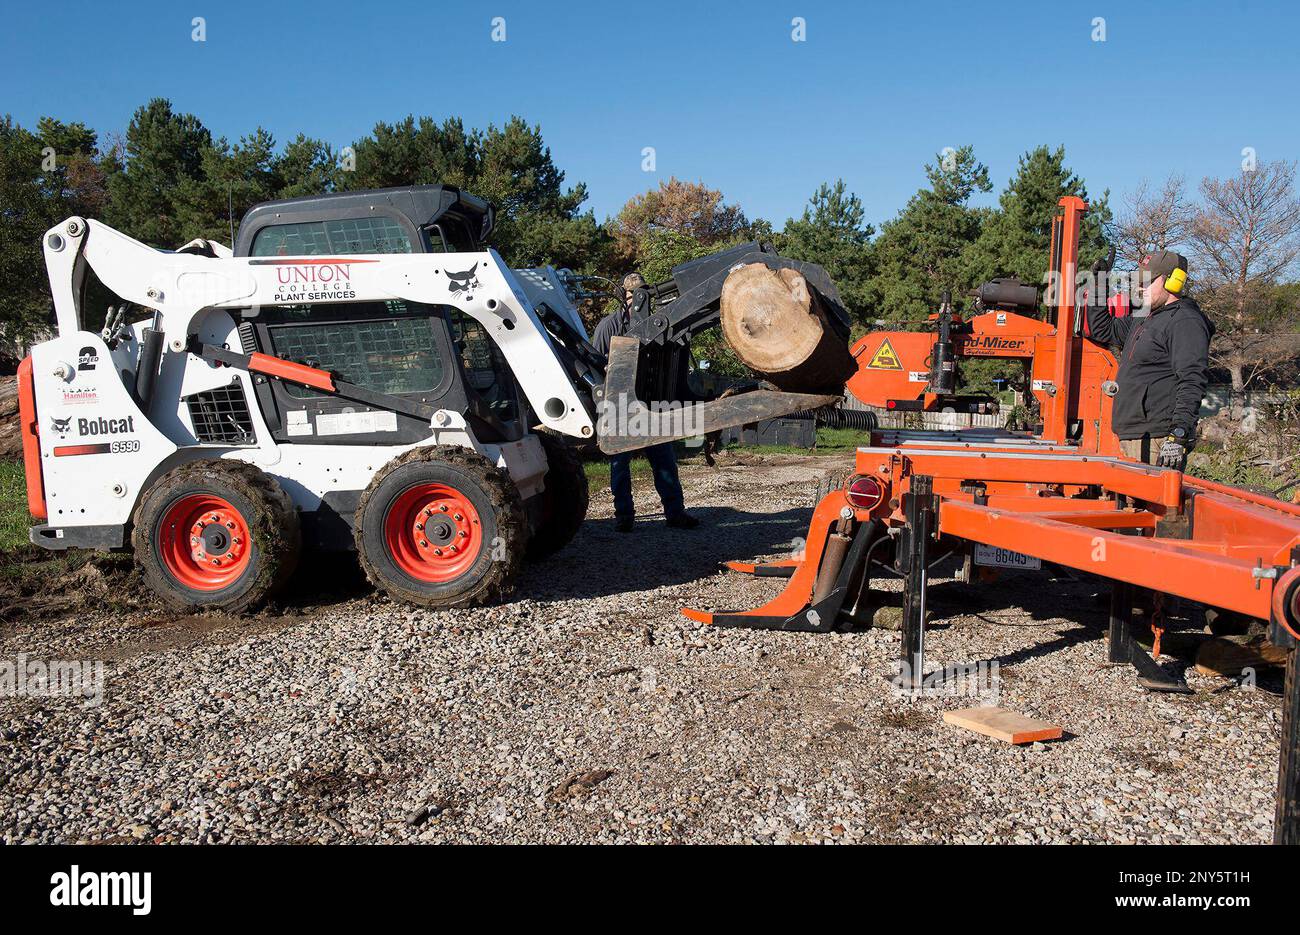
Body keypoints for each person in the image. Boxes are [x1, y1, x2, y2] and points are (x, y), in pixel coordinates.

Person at [590, 272, 699, 533]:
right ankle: (624, 516)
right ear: (623, 298)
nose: (635, 301)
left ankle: (675, 512)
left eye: (640, 294)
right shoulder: (608, 327)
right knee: (620, 464)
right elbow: (594, 366)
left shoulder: (659, 324)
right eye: (630, 296)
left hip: (651, 403)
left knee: (664, 461)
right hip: (618, 407)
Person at [1086, 250, 1214, 469]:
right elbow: (1102, 330)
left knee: (1148, 504)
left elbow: (1192, 379)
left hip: (1156, 439)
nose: (1139, 288)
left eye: (1147, 282)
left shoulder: (1185, 321)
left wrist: (1179, 434)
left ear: (1173, 281)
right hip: (1134, 435)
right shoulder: (1145, 317)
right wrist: (1098, 286)